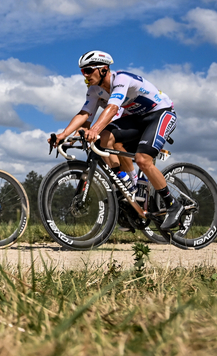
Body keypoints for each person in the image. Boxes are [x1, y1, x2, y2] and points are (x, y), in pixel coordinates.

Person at [51, 50, 184, 230]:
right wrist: (62, 135)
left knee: (142, 159)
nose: (85, 75)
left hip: (160, 113)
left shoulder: (121, 79)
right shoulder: (94, 90)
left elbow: (113, 108)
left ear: (104, 69)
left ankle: (173, 204)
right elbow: (84, 114)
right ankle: (125, 183)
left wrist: (94, 129)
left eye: (88, 70)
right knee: (102, 140)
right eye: (83, 72)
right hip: (136, 119)